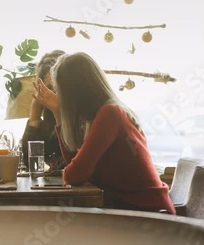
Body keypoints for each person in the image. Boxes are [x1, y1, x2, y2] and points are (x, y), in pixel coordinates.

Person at [33, 52, 175, 214]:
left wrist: (60, 114)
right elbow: (73, 165)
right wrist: (58, 113)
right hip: (133, 211)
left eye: (60, 91)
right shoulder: (101, 114)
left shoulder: (110, 114)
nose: (60, 97)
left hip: (150, 217)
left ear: (73, 93)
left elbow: (74, 175)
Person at [21, 50, 65, 171]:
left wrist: (58, 112)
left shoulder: (82, 117)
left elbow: (65, 165)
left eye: (58, 87)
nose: (53, 94)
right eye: (49, 88)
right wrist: (35, 112)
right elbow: (29, 163)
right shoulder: (48, 118)